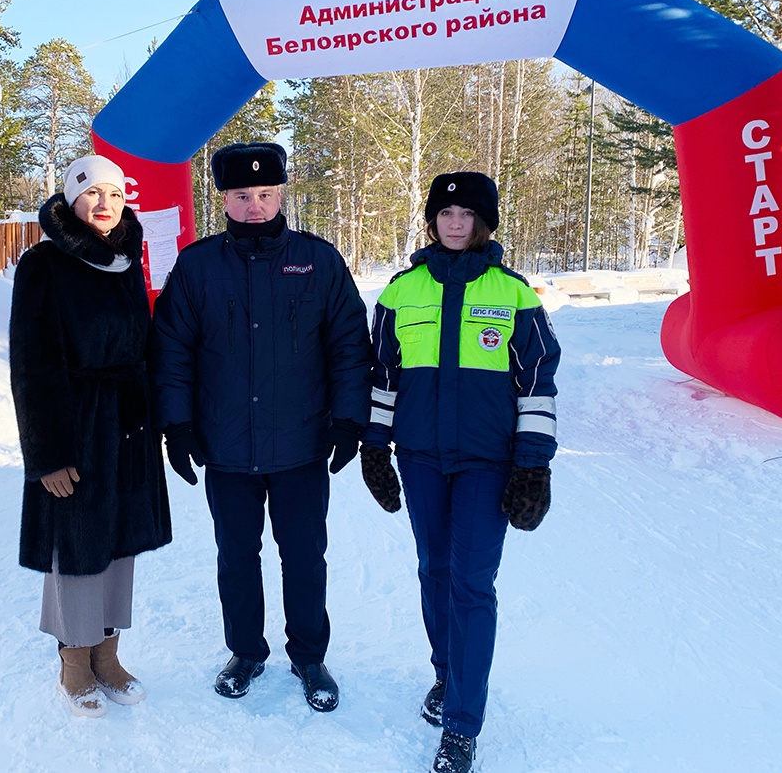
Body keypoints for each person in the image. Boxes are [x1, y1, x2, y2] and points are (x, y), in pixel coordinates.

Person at [150, 141, 371, 712]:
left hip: (300, 445)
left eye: (266, 194)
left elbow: (349, 345)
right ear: (224, 197)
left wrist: (349, 420)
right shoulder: (198, 266)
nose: (254, 206)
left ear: (282, 194)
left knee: (303, 556)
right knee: (236, 555)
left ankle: (309, 657)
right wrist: (177, 425)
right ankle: (246, 651)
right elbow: (172, 349)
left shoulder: (318, 262)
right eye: (242, 196)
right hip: (226, 447)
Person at [359, 171, 559, 773]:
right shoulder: (401, 293)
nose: (454, 222)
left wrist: (533, 465)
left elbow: (537, 385)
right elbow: (383, 379)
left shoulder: (515, 294)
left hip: (486, 463)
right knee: (434, 570)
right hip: (421, 459)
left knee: (472, 584)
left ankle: (462, 724)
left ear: (483, 223)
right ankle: (447, 677)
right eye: (444, 212)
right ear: (432, 220)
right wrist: (375, 446)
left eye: (466, 214)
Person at [9, 154, 172, 718]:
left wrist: (160, 420)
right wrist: (47, 454)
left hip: (128, 423)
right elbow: (31, 366)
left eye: (113, 193)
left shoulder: (128, 260)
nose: (104, 204)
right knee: (76, 547)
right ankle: (74, 660)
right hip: (73, 425)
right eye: (91, 193)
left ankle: (108, 654)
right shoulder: (43, 265)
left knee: (120, 542)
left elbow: (141, 346)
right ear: (71, 200)